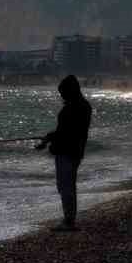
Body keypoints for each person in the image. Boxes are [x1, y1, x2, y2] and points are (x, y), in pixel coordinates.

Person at [36, 74, 93, 231]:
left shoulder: (75, 107)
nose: (61, 95)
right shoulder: (82, 106)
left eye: (63, 92)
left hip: (68, 152)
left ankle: (69, 221)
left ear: (70, 91)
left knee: (66, 186)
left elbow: (68, 132)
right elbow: (66, 131)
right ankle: (69, 219)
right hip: (74, 151)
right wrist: (49, 139)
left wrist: (49, 139)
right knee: (67, 186)